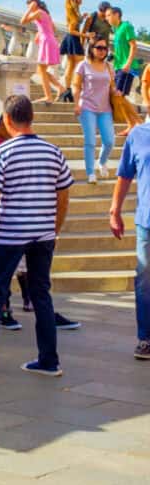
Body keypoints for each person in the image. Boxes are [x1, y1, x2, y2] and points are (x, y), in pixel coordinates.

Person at [0, 94, 73, 376]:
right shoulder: (53, 151)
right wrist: (55, 229)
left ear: (6, 119)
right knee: (42, 295)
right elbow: (63, 197)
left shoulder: (1, 153)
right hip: (43, 234)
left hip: (10, 234)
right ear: (32, 118)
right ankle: (49, 360)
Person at [111, 118, 150, 360]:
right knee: (145, 281)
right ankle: (146, 338)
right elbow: (125, 175)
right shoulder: (138, 134)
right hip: (147, 221)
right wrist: (114, 210)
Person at [73, 38, 117, 183]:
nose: (102, 51)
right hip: (87, 107)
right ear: (91, 48)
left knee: (109, 141)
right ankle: (90, 172)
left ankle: (102, 161)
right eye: (99, 47)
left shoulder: (109, 67)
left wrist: (117, 93)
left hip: (105, 109)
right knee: (90, 141)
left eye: (105, 48)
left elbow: (112, 87)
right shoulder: (83, 65)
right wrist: (76, 104)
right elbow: (76, 86)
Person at [20, 0, 64, 103]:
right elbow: (53, 28)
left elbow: (22, 21)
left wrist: (30, 9)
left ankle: (48, 96)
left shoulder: (38, 12)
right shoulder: (45, 13)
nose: (29, 7)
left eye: (29, 5)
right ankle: (60, 88)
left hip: (47, 42)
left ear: (34, 4)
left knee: (41, 69)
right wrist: (40, 32)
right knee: (41, 70)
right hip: (49, 40)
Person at [59, 0, 85, 102]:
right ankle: (73, 89)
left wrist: (82, 18)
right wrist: (86, 35)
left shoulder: (74, 10)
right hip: (73, 38)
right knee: (80, 65)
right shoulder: (72, 11)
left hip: (71, 39)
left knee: (71, 66)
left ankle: (67, 90)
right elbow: (71, 30)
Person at [107, 6, 139, 97]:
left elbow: (133, 46)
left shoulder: (126, 26)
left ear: (117, 15)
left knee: (119, 95)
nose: (107, 18)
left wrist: (128, 64)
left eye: (109, 15)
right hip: (118, 67)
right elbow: (122, 49)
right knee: (116, 96)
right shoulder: (116, 30)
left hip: (126, 68)